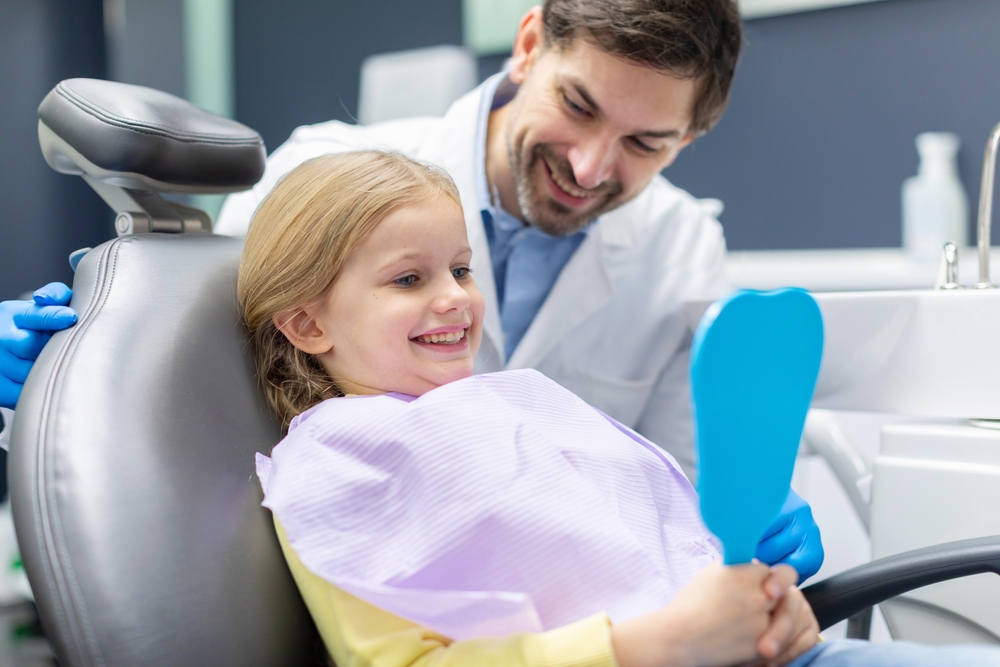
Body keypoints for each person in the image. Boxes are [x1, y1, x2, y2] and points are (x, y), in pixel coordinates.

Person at [0, 0, 823, 580]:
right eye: (578, 107)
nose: (590, 167)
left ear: (690, 137)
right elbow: (184, 415)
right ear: (529, 46)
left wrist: (744, 514)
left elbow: (676, 485)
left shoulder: (681, 249)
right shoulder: (324, 179)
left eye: (646, 144)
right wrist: (53, 381)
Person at [241, 149, 1000, 667]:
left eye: (462, 269)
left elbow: (642, 558)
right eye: (408, 279)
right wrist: (651, 646)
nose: (455, 298)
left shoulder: (506, 408)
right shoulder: (340, 471)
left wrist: (763, 605)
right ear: (306, 324)